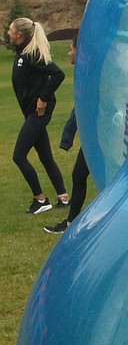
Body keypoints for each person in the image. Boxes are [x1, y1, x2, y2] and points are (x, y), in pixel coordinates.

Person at [8, 17, 68, 215]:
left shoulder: (32, 54)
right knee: (45, 157)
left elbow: (58, 74)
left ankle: (41, 200)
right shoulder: (21, 53)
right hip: (30, 113)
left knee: (18, 156)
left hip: (38, 113)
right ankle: (63, 198)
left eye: (10, 30)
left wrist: (43, 97)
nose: (8, 32)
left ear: (19, 34)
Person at [44, 37, 89, 234]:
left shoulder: (87, 74)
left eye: (71, 49)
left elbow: (80, 109)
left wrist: (67, 136)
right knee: (79, 175)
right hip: (94, 137)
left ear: (79, 51)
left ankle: (72, 223)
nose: (68, 53)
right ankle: (71, 222)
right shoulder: (84, 73)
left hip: (98, 138)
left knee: (80, 175)